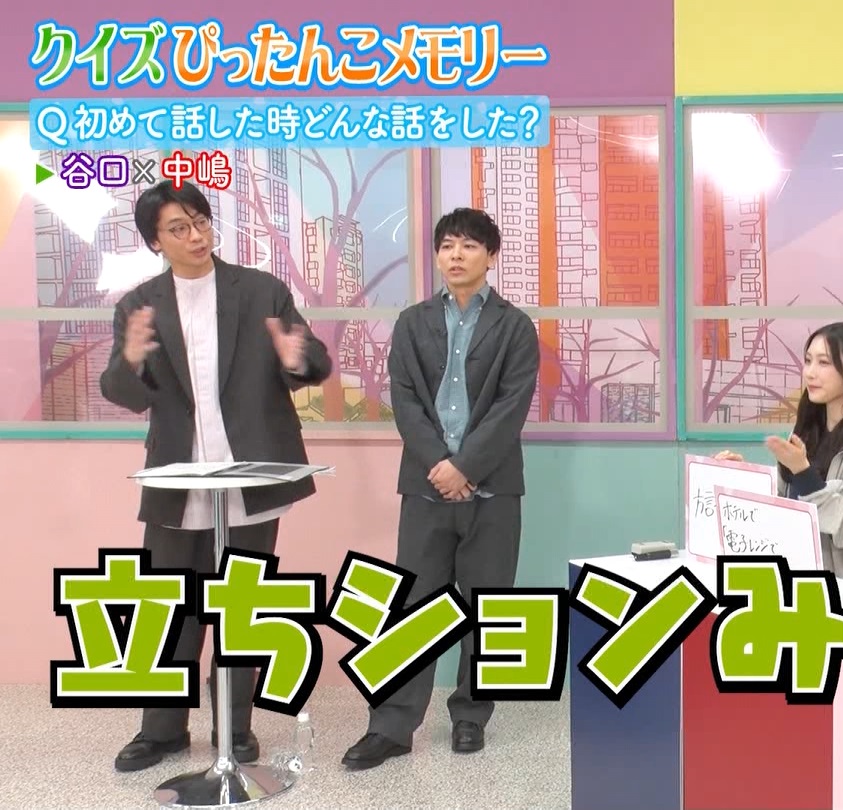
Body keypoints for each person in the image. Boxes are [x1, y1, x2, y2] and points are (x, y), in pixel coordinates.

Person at [99, 181, 333, 773]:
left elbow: (314, 361)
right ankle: (161, 731)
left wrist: (296, 358)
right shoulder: (140, 305)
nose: (196, 235)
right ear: (155, 241)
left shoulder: (259, 290)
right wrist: (130, 359)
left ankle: (234, 726)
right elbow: (123, 392)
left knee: (239, 605)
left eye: (200, 221)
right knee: (170, 607)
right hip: (178, 477)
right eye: (178, 228)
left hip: (251, 474)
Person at [342, 207, 540, 770]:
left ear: (490, 256)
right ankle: (391, 726)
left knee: (487, 606)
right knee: (413, 608)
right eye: (448, 245)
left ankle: (471, 716)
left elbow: (511, 407)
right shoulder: (412, 323)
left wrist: (466, 467)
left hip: (494, 489)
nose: (456, 255)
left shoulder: (515, 326)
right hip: (426, 487)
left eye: (470, 246)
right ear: (436, 255)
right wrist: (440, 464)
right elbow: (404, 399)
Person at [715, 321, 843, 579]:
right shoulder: (806, 429)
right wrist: (743, 477)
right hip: (804, 580)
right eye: (808, 360)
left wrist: (803, 473)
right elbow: (784, 502)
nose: (810, 373)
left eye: (824, 363)